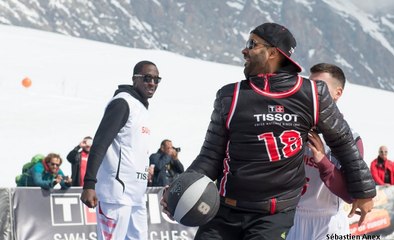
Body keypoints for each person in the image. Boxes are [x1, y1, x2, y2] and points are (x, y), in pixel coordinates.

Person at [161, 22, 376, 240]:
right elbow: (210, 156)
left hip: (273, 217)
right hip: (225, 210)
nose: (244, 50)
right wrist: (179, 188)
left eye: (251, 44)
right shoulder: (230, 96)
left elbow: (344, 143)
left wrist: (364, 191)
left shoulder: (313, 94)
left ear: (273, 52)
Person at [80, 60, 161, 240]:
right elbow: (100, 143)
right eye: (148, 78)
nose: (152, 83)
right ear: (135, 79)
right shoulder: (122, 103)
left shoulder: (142, 108)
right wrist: (89, 184)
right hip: (115, 195)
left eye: (157, 80)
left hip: (137, 195)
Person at [287, 63, 363, 239]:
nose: (312, 92)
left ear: (338, 93)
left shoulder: (351, 137)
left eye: (320, 86)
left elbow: (350, 193)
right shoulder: (293, 128)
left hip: (328, 222)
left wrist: (322, 160)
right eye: (309, 85)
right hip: (293, 219)